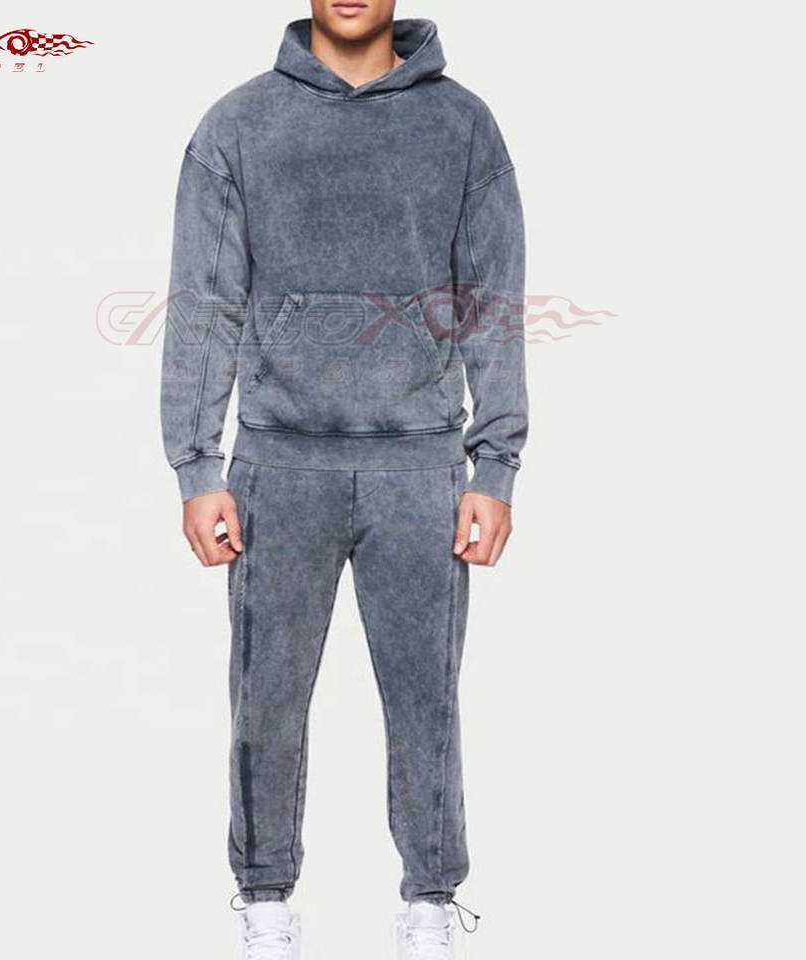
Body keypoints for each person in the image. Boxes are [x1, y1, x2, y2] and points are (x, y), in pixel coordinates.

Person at [160, 2, 526, 957]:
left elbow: (492, 300)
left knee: (427, 699)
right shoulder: (239, 124)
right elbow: (204, 301)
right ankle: (264, 902)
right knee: (266, 701)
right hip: (277, 467)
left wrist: (495, 463)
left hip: (421, 468)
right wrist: (197, 465)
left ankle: (431, 903)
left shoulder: (461, 124)